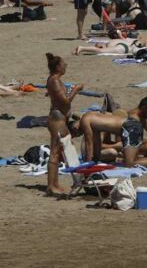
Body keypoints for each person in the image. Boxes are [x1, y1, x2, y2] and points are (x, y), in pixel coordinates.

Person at [45, 53, 83, 195]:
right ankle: (51, 186)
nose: (66, 66)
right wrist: (76, 90)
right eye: (63, 64)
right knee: (55, 151)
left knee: (63, 150)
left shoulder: (55, 80)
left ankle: (55, 184)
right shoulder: (54, 80)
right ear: (58, 67)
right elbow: (65, 101)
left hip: (61, 119)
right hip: (57, 120)